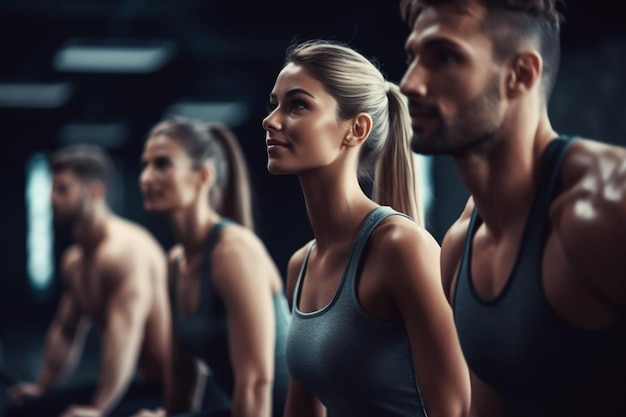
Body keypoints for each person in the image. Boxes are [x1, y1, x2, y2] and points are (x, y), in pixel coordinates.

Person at [399, 0, 626, 416]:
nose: (410, 83)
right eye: (413, 57)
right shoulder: (460, 246)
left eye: (444, 57)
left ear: (520, 75)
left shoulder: (606, 206)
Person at [262, 39, 471, 417]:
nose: (271, 120)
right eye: (273, 104)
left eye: (296, 105)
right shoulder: (301, 265)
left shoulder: (401, 247)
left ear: (356, 129)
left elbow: (454, 408)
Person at [133, 118, 290, 417]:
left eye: (162, 164)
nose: (146, 177)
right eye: (145, 165)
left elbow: (256, 383)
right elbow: (182, 375)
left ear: (203, 176)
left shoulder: (234, 252)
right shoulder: (176, 262)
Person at [5, 144, 171, 417]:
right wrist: (43, 388)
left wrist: (97, 409)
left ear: (95, 192)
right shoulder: (75, 262)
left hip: (178, 391)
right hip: (139, 383)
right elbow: (66, 332)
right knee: (25, 407)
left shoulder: (123, 251)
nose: (51, 199)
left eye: (62, 189)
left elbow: (124, 335)